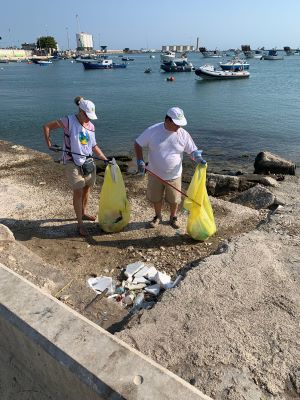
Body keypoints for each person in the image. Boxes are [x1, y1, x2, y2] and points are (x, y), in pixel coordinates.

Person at [43, 96, 108, 236]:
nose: (89, 119)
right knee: (78, 190)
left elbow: (94, 145)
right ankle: (80, 223)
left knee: (86, 189)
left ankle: (83, 213)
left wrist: (104, 158)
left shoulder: (91, 126)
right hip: (72, 161)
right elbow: (47, 126)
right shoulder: (68, 121)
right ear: (80, 111)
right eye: (87, 116)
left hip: (88, 162)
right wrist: (49, 143)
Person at [134, 107, 206, 229]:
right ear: (167, 120)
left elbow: (192, 150)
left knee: (174, 200)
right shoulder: (153, 131)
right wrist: (140, 160)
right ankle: (157, 216)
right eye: (177, 124)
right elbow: (137, 144)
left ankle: (173, 217)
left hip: (174, 175)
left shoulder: (183, 134)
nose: (179, 127)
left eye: (180, 124)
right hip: (154, 173)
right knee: (156, 198)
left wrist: (198, 158)